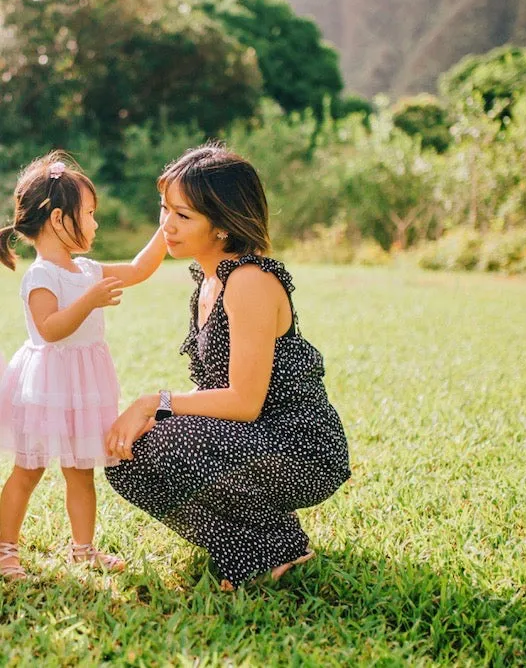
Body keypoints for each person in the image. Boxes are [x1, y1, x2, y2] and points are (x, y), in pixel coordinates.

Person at [104, 143, 351, 591]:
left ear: (221, 224)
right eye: (164, 210)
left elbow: (245, 401)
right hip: (251, 439)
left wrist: (151, 403)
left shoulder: (249, 281)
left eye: (183, 216)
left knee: (165, 441)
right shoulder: (207, 279)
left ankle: (275, 547)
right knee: (123, 457)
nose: (167, 226)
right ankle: (257, 550)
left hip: (301, 449)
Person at [0, 151, 167, 580]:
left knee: (80, 472)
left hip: (84, 385)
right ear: (59, 219)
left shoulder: (88, 268)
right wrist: (89, 300)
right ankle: (5, 549)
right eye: (89, 214)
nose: (95, 224)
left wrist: (167, 229)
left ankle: (83, 548)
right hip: (47, 385)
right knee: (28, 469)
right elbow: (51, 329)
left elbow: (137, 268)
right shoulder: (41, 276)